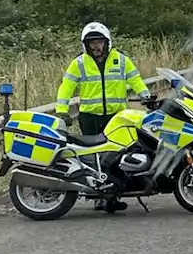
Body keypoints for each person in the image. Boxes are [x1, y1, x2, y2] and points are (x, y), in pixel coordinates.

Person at [55, 21, 152, 212]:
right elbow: (66, 87)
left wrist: (146, 97)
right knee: (93, 158)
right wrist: (61, 110)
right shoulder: (79, 63)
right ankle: (98, 198)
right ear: (85, 44)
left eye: (99, 42)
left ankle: (113, 197)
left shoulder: (121, 59)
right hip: (90, 116)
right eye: (91, 43)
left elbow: (135, 80)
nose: (96, 46)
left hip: (117, 116)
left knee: (116, 156)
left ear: (107, 42)